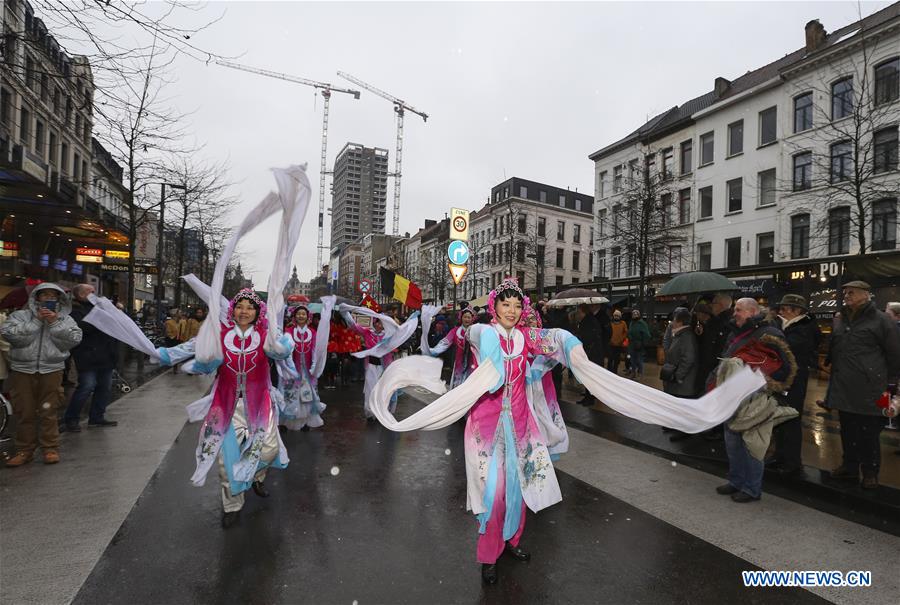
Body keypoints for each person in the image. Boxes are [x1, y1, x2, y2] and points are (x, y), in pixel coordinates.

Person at [366, 279, 765, 584]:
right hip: (486, 427)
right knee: (493, 492)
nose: (509, 309)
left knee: (521, 487)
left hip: (521, 425)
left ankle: (511, 541)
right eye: (503, 304)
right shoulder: (482, 332)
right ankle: (488, 556)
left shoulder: (526, 337)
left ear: (521, 310)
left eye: (515, 305)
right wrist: (485, 346)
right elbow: (470, 336)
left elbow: (553, 340)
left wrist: (572, 346)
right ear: (494, 308)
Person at [157, 288, 294, 527]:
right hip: (225, 404)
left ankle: (257, 475)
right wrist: (164, 354)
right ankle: (232, 505)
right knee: (225, 460)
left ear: (257, 312)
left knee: (269, 450)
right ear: (232, 309)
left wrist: (283, 346)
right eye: (240, 306)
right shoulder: (220, 334)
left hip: (259, 404)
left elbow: (282, 350)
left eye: (250, 307)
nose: (244, 311)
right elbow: (192, 347)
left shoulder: (266, 334)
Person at [716, 298, 797, 503]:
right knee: (732, 443)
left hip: (756, 399)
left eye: (739, 310)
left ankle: (752, 488)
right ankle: (736, 481)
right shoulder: (736, 333)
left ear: (752, 312)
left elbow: (785, 368)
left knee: (753, 445)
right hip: (733, 397)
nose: (735, 313)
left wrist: (758, 380)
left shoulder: (770, 334)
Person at [827, 281, 900, 489]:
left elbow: (895, 355)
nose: (846, 296)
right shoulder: (842, 319)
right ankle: (849, 467)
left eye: (851, 292)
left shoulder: (882, 320)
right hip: (844, 387)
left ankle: (870, 473)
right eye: (845, 293)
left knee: (869, 434)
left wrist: (891, 386)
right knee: (848, 431)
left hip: (872, 388)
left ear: (866, 295)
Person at [2, 283, 82, 466]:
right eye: (44, 295)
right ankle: (24, 450)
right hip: (23, 370)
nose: (48, 299)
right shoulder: (20, 316)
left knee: (49, 410)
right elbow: (11, 335)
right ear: (36, 298)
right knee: (25, 411)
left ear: (59, 299)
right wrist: (37, 322)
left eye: (52, 296)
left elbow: (74, 339)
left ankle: (50, 448)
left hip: (52, 369)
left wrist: (54, 323)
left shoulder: (65, 319)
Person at [769, 295, 820, 476]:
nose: (781, 312)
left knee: (791, 418)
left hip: (795, 380)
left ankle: (792, 461)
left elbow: (786, 348)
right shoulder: (787, 327)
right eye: (781, 309)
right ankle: (779, 455)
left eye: (785, 309)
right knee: (779, 417)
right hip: (783, 378)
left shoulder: (804, 329)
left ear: (797, 311)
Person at [63, 284, 119, 432]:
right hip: (88, 357)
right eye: (91, 292)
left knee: (104, 388)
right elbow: (81, 328)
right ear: (81, 295)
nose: (95, 294)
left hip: (105, 356)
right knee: (86, 387)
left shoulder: (99, 309)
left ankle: (97, 417)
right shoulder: (75, 311)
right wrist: (99, 317)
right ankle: (71, 419)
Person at [279, 305, 327, 431]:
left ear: (307, 317)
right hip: (292, 369)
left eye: (303, 314)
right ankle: (286, 422)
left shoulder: (312, 332)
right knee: (290, 394)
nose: (301, 316)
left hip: (307, 371)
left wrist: (314, 366)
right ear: (294, 316)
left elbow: (315, 350)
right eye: (298, 314)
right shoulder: (289, 331)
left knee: (307, 396)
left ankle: (306, 421)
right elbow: (286, 349)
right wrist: (290, 367)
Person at [425, 307, 478, 388]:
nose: (466, 319)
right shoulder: (455, 331)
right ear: (461, 318)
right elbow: (444, 343)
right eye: (465, 317)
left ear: (472, 319)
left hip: (473, 362)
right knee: (458, 384)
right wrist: (432, 351)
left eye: (469, 317)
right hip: (459, 362)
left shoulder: (476, 331)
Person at [574, 304, 604, 406]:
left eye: (579, 312)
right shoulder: (589, 320)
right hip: (591, 353)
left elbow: (587, 338)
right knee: (587, 376)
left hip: (591, 354)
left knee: (589, 376)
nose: (577, 314)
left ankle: (590, 398)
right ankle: (587, 396)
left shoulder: (588, 322)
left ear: (583, 312)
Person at [627, 310, 651, 378]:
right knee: (632, 360)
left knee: (639, 360)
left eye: (636, 314)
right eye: (633, 314)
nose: (635, 315)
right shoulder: (631, 323)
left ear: (639, 315)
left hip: (639, 344)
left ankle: (640, 373)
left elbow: (647, 335)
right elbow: (629, 332)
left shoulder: (642, 323)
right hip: (632, 344)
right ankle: (633, 373)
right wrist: (629, 336)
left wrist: (642, 343)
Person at [607, 309, 628, 374]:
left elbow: (625, 332)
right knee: (610, 359)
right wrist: (609, 340)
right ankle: (609, 372)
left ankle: (614, 372)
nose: (616, 317)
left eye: (618, 316)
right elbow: (607, 332)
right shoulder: (610, 323)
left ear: (620, 316)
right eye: (615, 315)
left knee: (616, 360)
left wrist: (622, 339)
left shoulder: (623, 323)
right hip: (611, 344)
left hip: (619, 344)